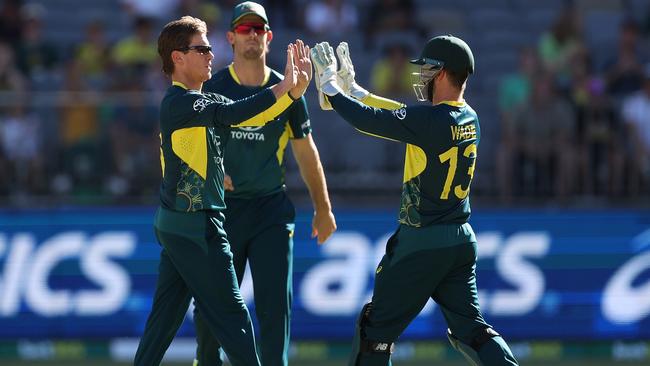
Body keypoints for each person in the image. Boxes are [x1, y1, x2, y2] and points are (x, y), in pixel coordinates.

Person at [310, 36, 519, 365]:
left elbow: (370, 122)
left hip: (422, 241)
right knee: (473, 332)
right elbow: (404, 114)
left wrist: (331, 87)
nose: (421, 77)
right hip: (460, 241)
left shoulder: (428, 122)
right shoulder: (469, 118)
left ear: (442, 73)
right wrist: (358, 92)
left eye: (427, 70)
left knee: (374, 333)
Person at [133, 15, 312, 366]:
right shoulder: (182, 102)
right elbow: (238, 113)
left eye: (210, 48)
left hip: (176, 225)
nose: (211, 55)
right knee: (234, 320)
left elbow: (250, 118)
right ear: (177, 58)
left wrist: (292, 93)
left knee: (163, 322)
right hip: (197, 227)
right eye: (201, 49)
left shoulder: (199, 100)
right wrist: (285, 88)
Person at [192, 2, 337, 366]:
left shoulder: (287, 89)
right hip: (222, 210)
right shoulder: (214, 86)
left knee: (275, 307)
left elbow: (306, 152)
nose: (252, 34)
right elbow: (185, 143)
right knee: (215, 306)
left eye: (259, 29)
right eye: (244, 29)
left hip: (271, 209)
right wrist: (211, 171)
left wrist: (323, 208)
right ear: (230, 38)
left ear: (269, 37)